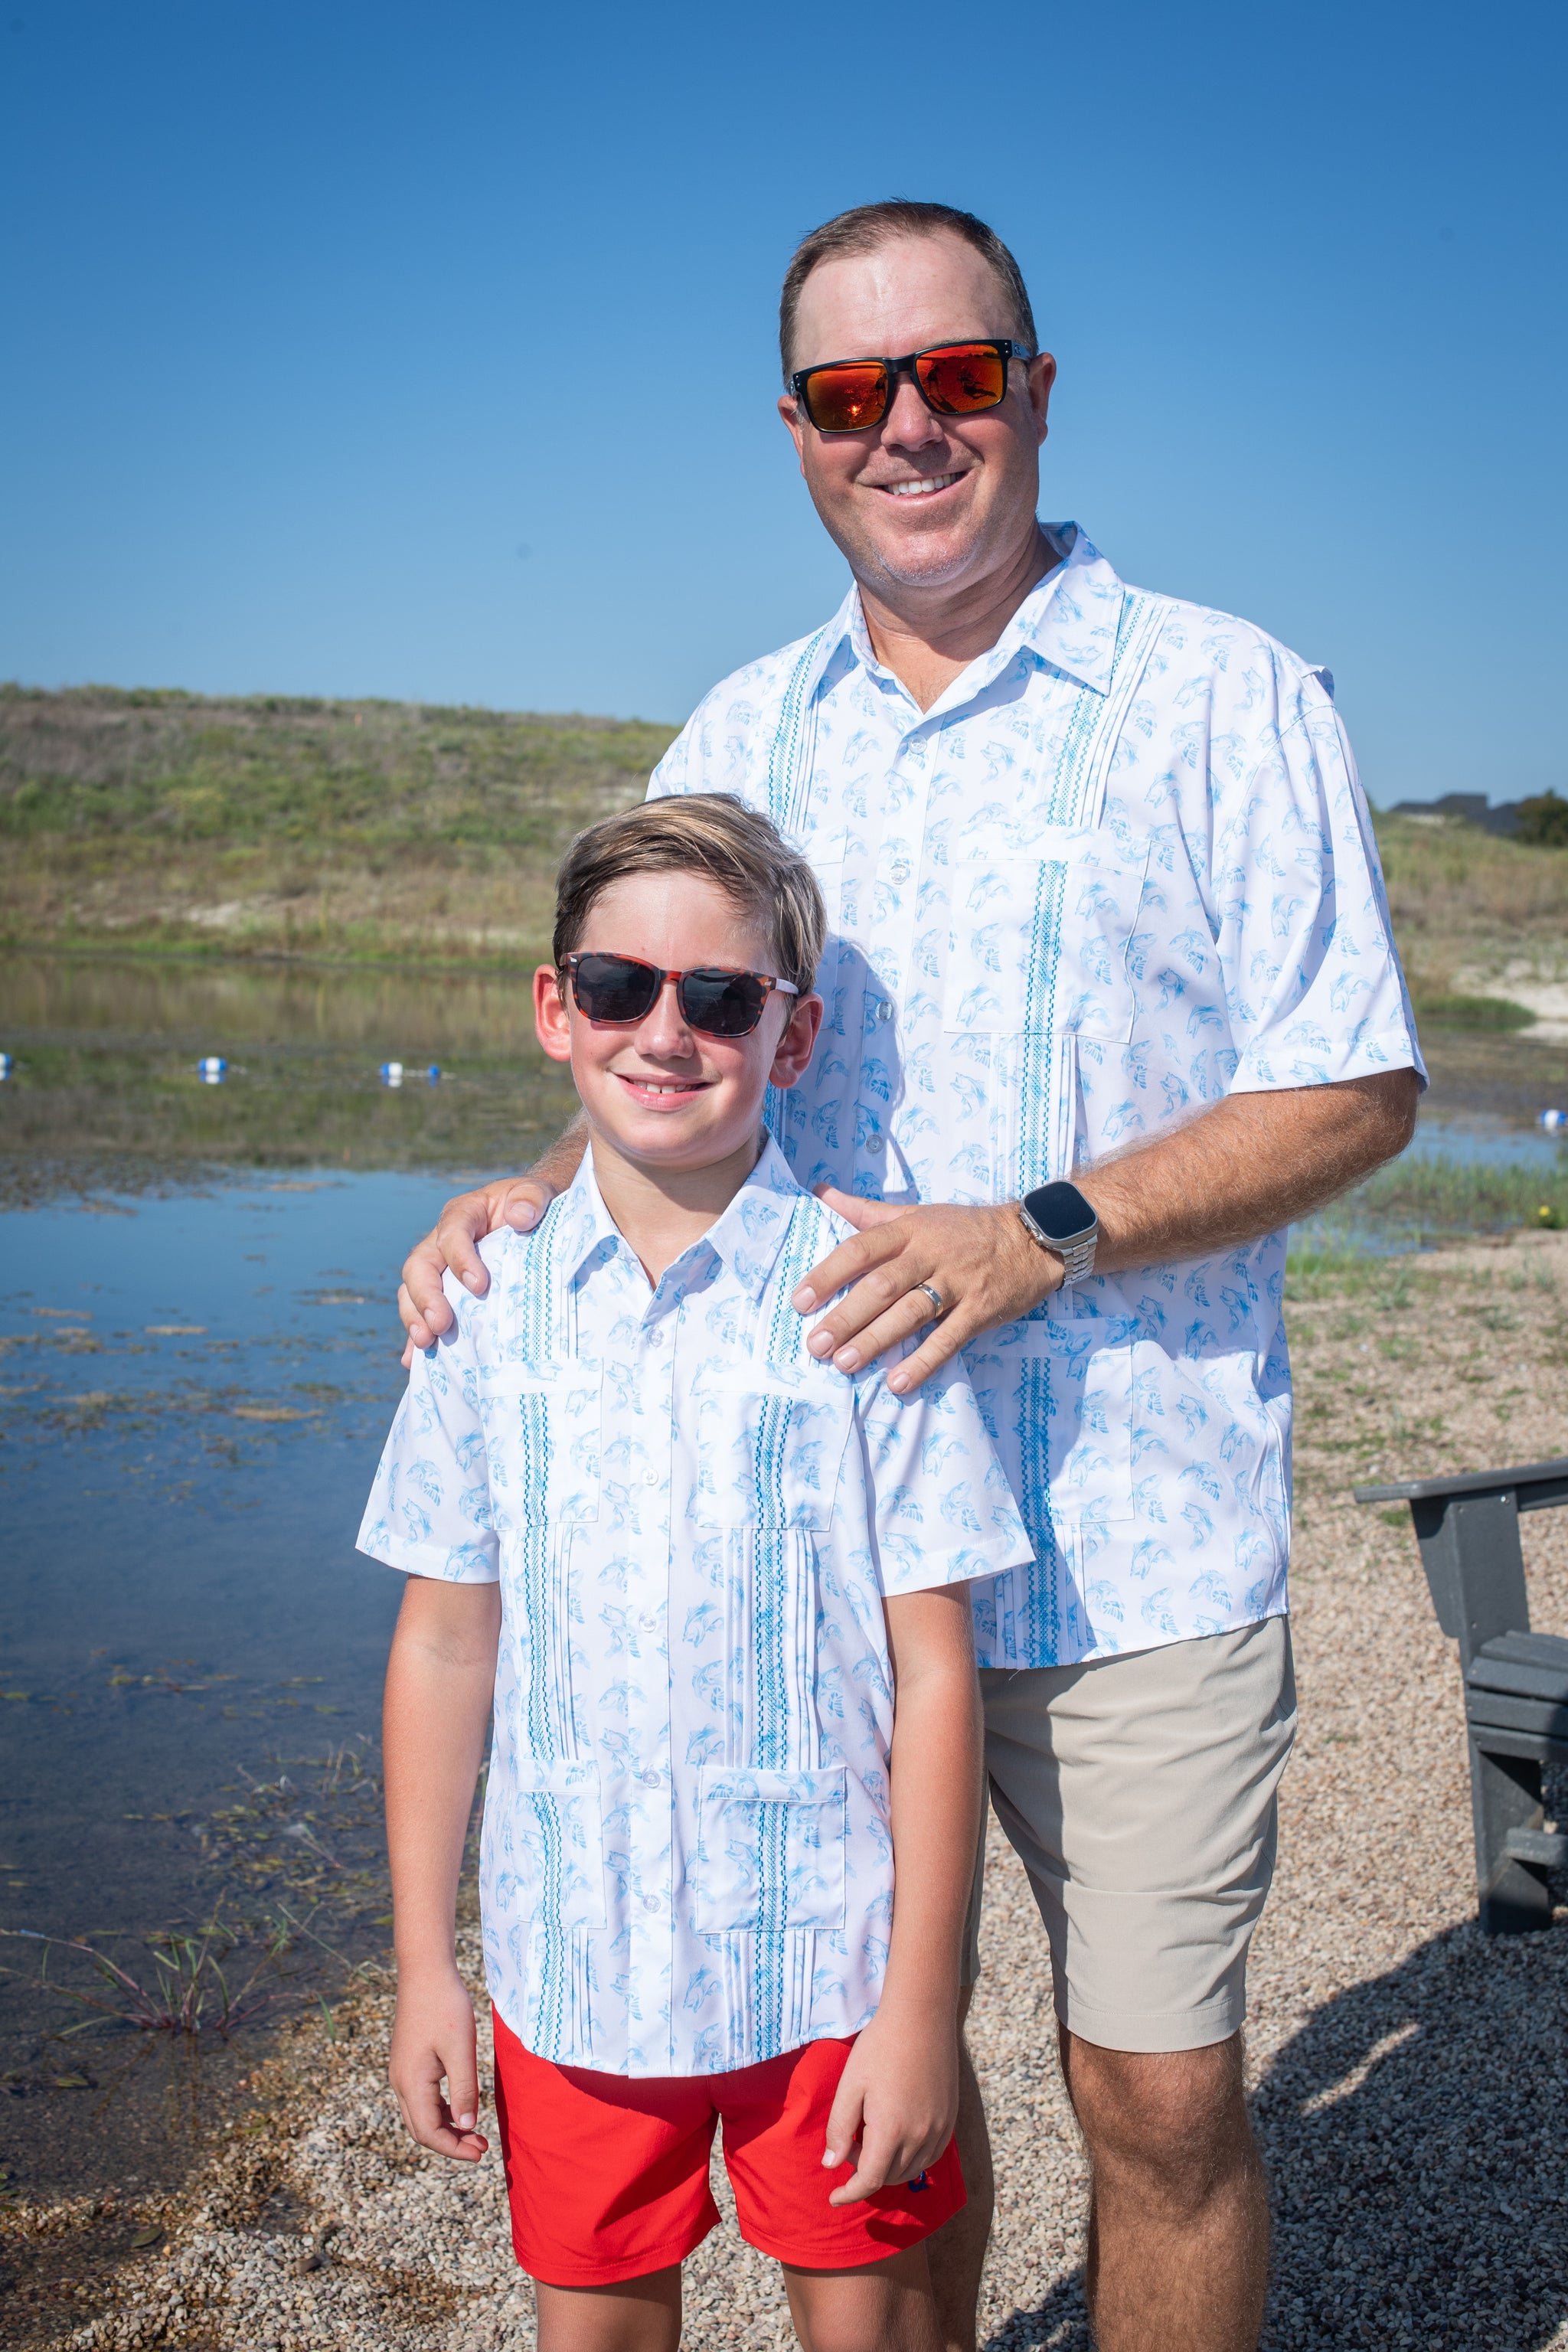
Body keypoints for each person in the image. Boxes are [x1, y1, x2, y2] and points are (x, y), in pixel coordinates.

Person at [397, 201, 1423, 2352]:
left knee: (1156, 2096)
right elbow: (665, 1028)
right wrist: (524, 1197)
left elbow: (1354, 1088)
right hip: (817, 1580)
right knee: (892, 2119)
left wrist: (1036, 1233)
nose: (909, 428)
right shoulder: (739, 726)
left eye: (955, 375)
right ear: (794, 429)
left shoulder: (1224, 693)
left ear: (1034, 391)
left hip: (1139, 1532)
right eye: (851, 392)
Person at [363, 795, 1034, 2352]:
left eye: (721, 997)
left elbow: (935, 1671)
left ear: (789, 1036)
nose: (665, 1032)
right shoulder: (483, 1310)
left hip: (824, 1973)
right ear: (557, 1009)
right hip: (571, 1972)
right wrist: (422, 1968)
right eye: (620, 986)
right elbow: (444, 1647)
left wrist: (919, 2011)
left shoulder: (866, 1301)